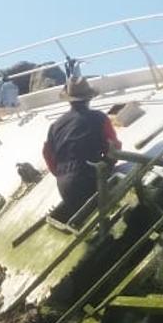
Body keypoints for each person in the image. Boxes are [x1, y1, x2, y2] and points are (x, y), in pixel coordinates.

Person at [41, 77, 121, 222]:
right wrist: (109, 162)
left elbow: (47, 154)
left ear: (69, 100)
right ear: (89, 98)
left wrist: (61, 173)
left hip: (64, 186)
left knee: (85, 219)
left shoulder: (55, 126)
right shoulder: (99, 118)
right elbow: (113, 147)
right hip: (88, 178)